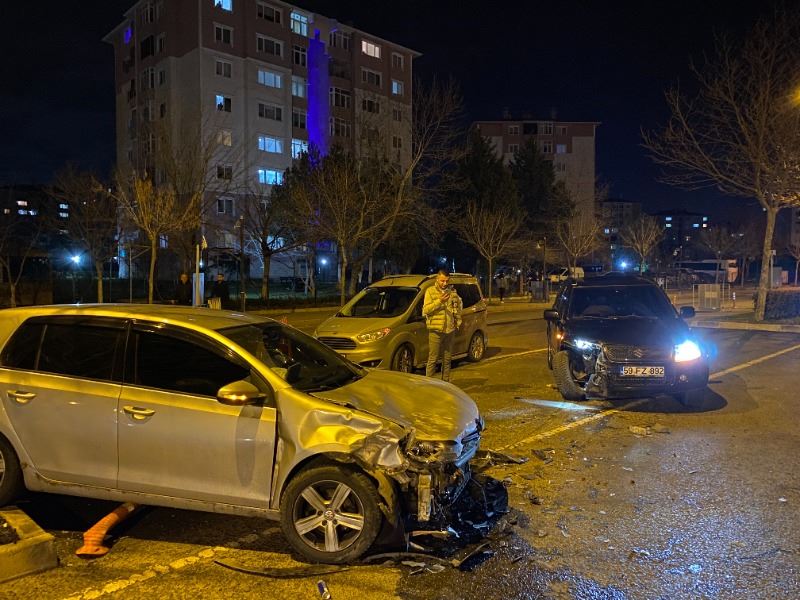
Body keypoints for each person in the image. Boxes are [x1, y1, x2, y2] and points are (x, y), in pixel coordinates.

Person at [423, 270, 463, 382]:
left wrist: (458, 321)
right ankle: (429, 385)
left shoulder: (452, 292)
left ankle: (445, 383)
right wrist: (439, 301)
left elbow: (456, 309)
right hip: (435, 330)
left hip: (450, 330)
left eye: (447, 281)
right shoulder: (430, 291)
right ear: (437, 279)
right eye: (442, 281)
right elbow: (426, 310)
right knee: (433, 359)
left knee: (447, 359)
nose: (445, 283)